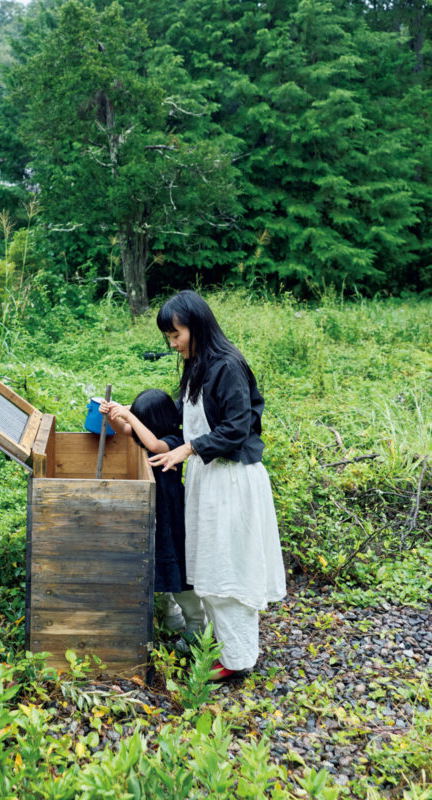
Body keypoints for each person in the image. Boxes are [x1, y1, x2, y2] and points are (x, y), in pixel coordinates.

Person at [148, 290, 286, 681]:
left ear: (197, 325)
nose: (173, 344)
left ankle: (238, 659)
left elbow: (237, 427)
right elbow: (188, 419)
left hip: (232, 480)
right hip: (209, 481)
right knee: (211, 566)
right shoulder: (197, 367)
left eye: (176, 334)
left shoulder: (228, 366)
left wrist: (189, 449)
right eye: (169, 337)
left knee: (230, 568)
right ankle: (221, 644)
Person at [99, 389, 205, 638]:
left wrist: (129, 416)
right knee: (161, 565)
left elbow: (154, 446)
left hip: (172, 514)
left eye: (141, 419)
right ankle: (172, 618)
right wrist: (113, 415)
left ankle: (196, 626)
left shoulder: (175, 439)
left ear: (156, 420)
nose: (135, 424)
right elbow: (125, 430)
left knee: (177, 566)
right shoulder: (144, 431)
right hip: (157, 512)